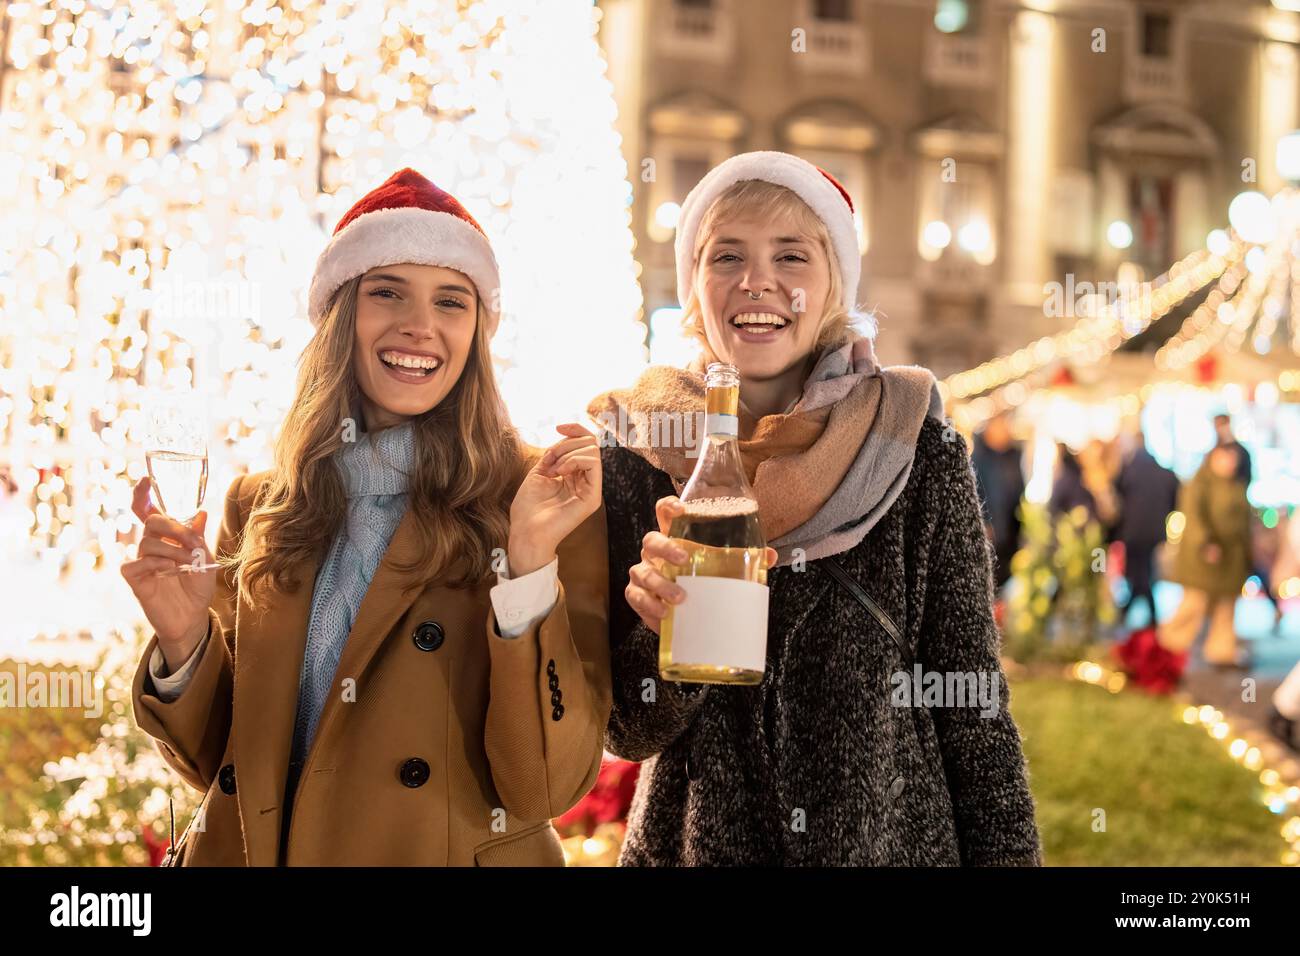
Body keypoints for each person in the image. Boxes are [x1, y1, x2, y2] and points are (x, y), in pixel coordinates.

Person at [123, 169, 611, 865]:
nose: (420, 325)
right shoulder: (260, 505)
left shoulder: (542, 497)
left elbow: (544, 785)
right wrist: (182, 643)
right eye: (387, 293)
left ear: (477, 333)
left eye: (452, 302)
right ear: (340, 317)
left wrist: (528, 565)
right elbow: (228, 774)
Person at [588, 151, 1042, 865]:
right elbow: (628, 729)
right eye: (726, 255)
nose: (756, 280)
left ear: (834, 284)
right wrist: (664, 639)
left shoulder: (911, 442)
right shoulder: (639, 452)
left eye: (791, 255)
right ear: (695, 283)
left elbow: (972, 704)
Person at [1159, 444, 1251, 668]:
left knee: (1225, 610)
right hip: (1205, 560)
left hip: (1232, 561)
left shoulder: (1236, 485)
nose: (1229, 463)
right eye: (1224, 458)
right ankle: (1167, 648)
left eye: (1232, 458)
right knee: (1194, 605)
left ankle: (1222, 651)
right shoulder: (1199, 484)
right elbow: (1194, 517)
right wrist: (1205, 543)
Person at [1113, 429, 1180, 626]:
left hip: (1134, 532)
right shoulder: (1161, 471)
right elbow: (1175, 496)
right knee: (1143, 572)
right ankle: (1142, 613)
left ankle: (1138, 613)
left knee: (1139, 573)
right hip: (1154, 531)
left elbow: (1118, 499)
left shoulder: (1128, 470)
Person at [971, 412, 1025, 588]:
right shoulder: (978, 459)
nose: (1007, 430)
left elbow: (1019, 490)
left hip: (1013, 532)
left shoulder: (1013, 455)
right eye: (1002, 425)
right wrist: (984, 522)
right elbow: (975, 494)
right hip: (992, 535)